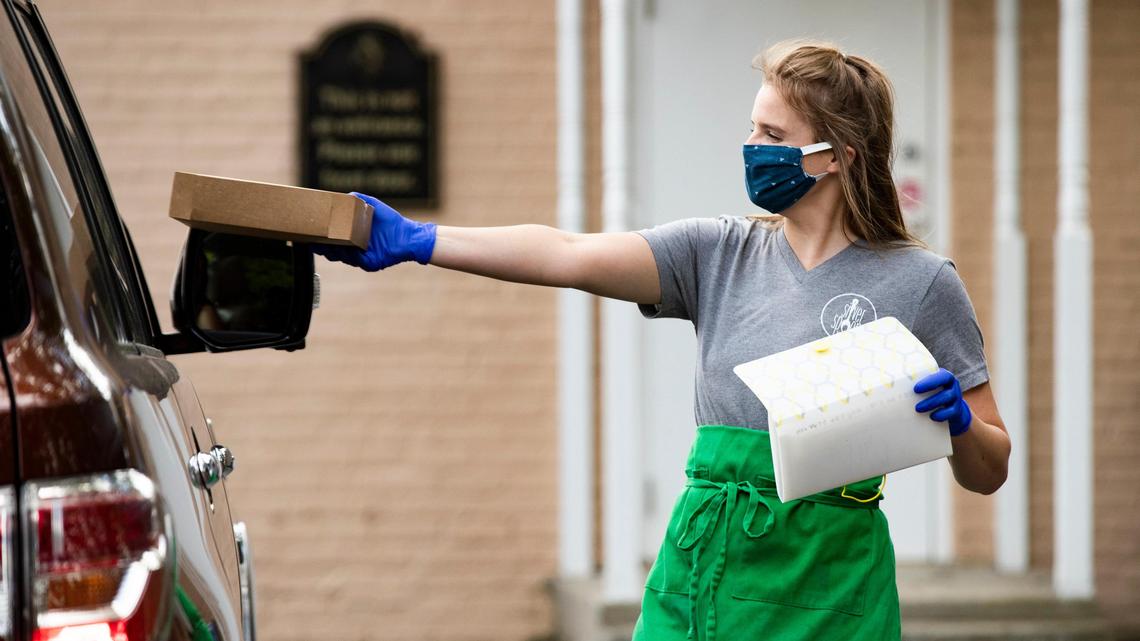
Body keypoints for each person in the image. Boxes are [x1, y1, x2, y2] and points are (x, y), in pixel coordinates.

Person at [313, 39, 1011, 641]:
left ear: (836, 156)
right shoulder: (716, 253)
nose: (752, 147)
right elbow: (565, 252)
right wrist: (422, 240)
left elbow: (990, 467)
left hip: (829, 584)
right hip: (701, 563)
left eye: (772, 134)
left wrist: (959, 429)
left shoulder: (921, 284)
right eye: (753, 128)